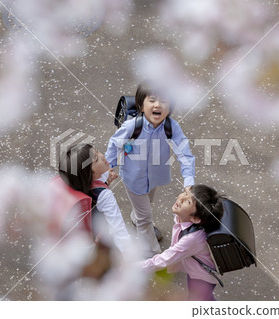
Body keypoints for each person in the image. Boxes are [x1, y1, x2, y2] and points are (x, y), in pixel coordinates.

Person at [105, 81, 196, 257]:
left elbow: (185, 154)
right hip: (134, 178)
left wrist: (189, 181)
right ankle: (150, 255)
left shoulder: (171, 127)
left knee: (146, 204)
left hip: (154, 177)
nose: (158, 105)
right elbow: (114, 145)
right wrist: (107, 170)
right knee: (145, 217)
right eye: (152, 100)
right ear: (141, 105)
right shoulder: (133, 126)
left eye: (164, 101)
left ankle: (136, 217)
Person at [138, 184, 225, 301]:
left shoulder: (192, 239)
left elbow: (165, 259)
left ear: (195, 219)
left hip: (202, 278)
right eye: (185, 193)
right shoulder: (184, 218)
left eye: (188, 202)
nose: (181, 198)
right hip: (196, 271)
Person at [55, 143, 131, 253]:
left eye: (97, 151)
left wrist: (106, 177)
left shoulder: (73, 181)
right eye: (96, 160)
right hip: (93, 245)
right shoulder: (104, 195)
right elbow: (118, 230)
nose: (102, 156)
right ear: (89, 174)